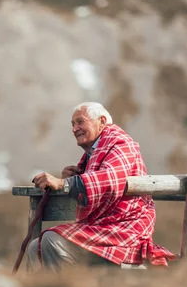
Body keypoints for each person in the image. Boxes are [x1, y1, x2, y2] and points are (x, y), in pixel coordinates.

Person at [27, 102, 176, 271]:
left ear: (102, 121)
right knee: (36, 247)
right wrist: (77, 177)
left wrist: (64, 183)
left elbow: (110, 180)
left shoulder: (120, 144)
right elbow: (101, 178)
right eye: (73, 124)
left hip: (124, 231)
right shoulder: (97, 150)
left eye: (80, 122)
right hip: (105, 228)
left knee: (50, 240)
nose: (75, 129)